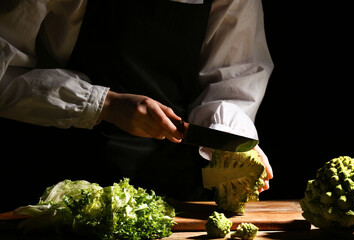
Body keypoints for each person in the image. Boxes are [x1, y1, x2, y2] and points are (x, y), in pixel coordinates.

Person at [0, 0, 273, 208]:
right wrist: (104, 103)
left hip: (176, 193)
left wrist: (227, 137)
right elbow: (5, 68)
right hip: (61, 183)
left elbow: (236, 70)